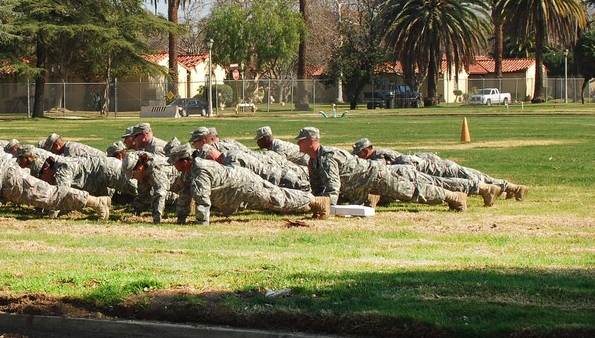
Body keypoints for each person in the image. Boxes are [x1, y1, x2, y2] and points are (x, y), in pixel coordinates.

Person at [295, 127, 471, 211]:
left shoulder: (328, 157)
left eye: (301, 141)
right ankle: (371, 197)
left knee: (411, 192)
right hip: (359, 186)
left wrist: (326, 207)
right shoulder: (313, 161)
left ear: (312, 141)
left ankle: (454, 196)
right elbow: (318, 189)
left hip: (375, 176)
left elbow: (332, 188)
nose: (298, 144)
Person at [167, 144, 330, 224]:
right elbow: (185, 195)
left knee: (277, 199)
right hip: (235, 191)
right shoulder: (189, 172)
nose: (173, 166)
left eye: (175, 163)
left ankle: (315, 201)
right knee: (275, 199)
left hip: (244, 184)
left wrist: (202, 223)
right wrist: (181, 219)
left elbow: (202, 199)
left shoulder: (200, 170)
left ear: (184, 161)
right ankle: (312, 201)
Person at [351, 138, 527, 202]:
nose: (359, 157)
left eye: (359, 154)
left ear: (366, 151)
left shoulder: (379, 156)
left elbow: (382, 172)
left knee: (472, 177)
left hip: (437, 168)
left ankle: (510, 187)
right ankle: (509, 188)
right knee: (474, 176)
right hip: (434, 165)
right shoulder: (380, 154)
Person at [0, 152, 111, 220]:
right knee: (49, 195)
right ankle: (95, 201)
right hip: (6, 178)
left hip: (8, 181)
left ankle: (96, 202)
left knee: (49, 196)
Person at [195, 143, 311, 192]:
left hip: (276, 178)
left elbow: (241, 183)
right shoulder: (230, 154)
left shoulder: (231, 161)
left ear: (211, 158)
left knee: (305, 190)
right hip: (276, 174)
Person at [121, 151, 174, 223]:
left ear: (139, 168)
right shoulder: (143, 172)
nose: (133, 178)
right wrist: (135, 213)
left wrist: (156, 219)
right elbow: (143, 195)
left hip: (180, 181)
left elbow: (160, 193)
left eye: (132, 175)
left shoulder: (155, 170)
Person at [41, 132, 105, 158]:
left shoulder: (70, 151)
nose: (52, 152)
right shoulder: (68, 147)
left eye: (51, 150)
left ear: (56, 146)